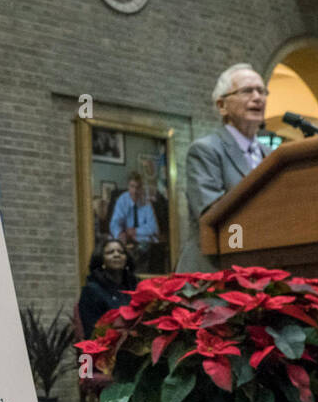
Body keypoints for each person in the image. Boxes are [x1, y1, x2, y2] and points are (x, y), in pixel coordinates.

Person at [176, 63, 271, 273]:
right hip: (213, 273)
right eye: (247, 91)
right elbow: (212, 213)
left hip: (261, 269)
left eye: (262, 91)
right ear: (222, 105)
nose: (258, 97)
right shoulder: (205, 150)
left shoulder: (273, 157)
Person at [78, 237, 137, 338]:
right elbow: (91, 330)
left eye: (121, 252)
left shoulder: (134, 286)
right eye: (110, 252)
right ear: (101, 260)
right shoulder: (92, 290)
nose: (116, 255)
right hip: (106, 344)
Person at [108, 172, 159, 272]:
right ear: (128, 186)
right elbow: (114, 222)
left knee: (145, 252)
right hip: (126, 241)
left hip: (142, 242)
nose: (135, 191)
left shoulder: (146, 202)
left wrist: (135, 231)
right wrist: (119, 233)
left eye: (138, 187)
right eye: (132, 186)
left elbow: (154, 227)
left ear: (141, 188)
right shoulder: (122, 200)